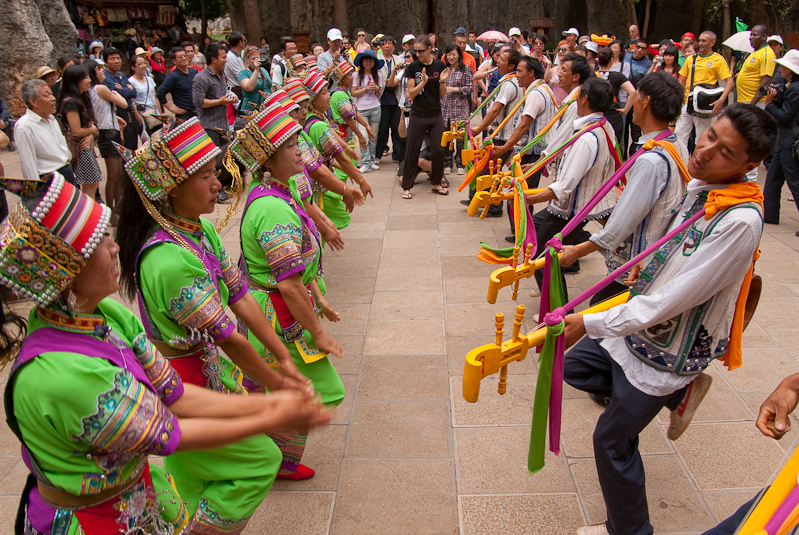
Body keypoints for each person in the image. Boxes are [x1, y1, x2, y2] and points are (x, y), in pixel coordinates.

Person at [0, 171, 329, 535]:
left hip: (132, 496)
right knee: (254, 462)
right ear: (64, 274)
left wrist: (271, 404)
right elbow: (167, 433)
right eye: (98, 243)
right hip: (90, 522)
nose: (114, 248)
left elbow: (172, 391)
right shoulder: (60, 374)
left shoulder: (106, 314)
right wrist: (273, 411)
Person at [563, 103, 777, 535]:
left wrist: (590, 321)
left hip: (668, 346)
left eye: (725, 150)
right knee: (572, 365)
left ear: (750, 167)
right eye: (711, 134)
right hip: (641, 326)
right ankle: (676, 397)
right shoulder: (706, 186)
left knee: (611, 441)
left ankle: (628, 530)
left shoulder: (740, 220)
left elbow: (675, 300)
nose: (706, 149)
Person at [115, 118, 322, 531]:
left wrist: (281, 358)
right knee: (259, 460)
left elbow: (240, 295)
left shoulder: (201, 230)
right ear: (173, 189)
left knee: (192, 476)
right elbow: (227, 335)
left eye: (216, 172)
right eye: (207, 175)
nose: (218, 184)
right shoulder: (168, 258)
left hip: (204, 369)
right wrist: (279, 385)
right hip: (183, 378)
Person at [226, 103, 348, 480]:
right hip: (276, 313)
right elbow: (289, 283)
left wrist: (320, 297)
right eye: (290, 146)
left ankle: (279, 459)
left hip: (284, 308)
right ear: (267, 158)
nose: (300, 150)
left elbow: (298, 270)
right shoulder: (273, 208)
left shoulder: (284, 189)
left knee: (301, 389)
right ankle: (268, 457)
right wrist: (319, 333)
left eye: (298, 142)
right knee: (307, 390)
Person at [559, 70, 688, 312]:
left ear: (646, 101)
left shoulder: (652, 159)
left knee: (598, 319)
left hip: (639, 262)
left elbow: (622, 222)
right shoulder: (675, 142)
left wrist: (579, 250)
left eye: (635, 95)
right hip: (657, 253)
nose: (631, 100)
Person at [525, 76, 618, 304]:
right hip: (589, 201)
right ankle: (547, 282)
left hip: (572, 208)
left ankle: (559, 312)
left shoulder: (586, 138)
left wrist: (526, 197)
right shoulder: (604, 126)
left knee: (543, 255)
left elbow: (563, 188)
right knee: (536, 229)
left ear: (583, 98)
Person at [302, 71, 372, 228]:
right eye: (324, 93)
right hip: (317, 184)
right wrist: (360, 182)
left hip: (316, 177)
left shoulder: (314, 118)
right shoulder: (319, 125)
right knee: (332, 222)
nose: (328, 96)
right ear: (312, 99)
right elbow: (337, 157)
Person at [493, 56, 555, 199]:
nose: (516, 75)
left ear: (531, 73)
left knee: (518, 197)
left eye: (520, 71)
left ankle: (523, 222)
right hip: (537, 150)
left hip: (531, 152)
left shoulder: (535, 93)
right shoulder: (545, 88)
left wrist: (505, 147)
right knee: (522, 194)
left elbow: (524, 124)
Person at [401, 34, 449, 199]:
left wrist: (442, 81)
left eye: (421, 51)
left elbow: (442, 94)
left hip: (435, 113)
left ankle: (435, 182)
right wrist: (423, 82)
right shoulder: (413, 67)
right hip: (419, 113)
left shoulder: (439, 65)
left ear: (430, 49)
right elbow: (411, 94)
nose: (418, 54)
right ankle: (407, 186)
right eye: (416, 51)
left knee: (438, 149)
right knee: (412, 149)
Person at [193, 42, 239, 199]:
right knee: (213, 161)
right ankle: (214, 190)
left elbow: (224, 94)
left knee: (227, 157)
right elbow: (199, 102)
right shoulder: (201, 78)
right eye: (223, 57)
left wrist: (231, 98)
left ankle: (224, 185)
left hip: (224, 124)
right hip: (209, 125)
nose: (226, 60)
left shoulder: (222, 75)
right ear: (213, 59)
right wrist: (220, 102)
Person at [85, 59, 128, 223]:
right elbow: (123, 103)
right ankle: (111, 211)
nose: (103, 71)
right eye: (99, 69)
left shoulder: (93, 90)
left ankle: (117, 207)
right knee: (114, 175)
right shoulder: (100, 88)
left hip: (111, 132)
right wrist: (116, 93)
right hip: (107, 134)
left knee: (117, 174)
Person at [675, 31, 733, 148]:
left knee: (702, 136)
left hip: (704, 103)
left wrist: (721, 101)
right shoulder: (691, 59)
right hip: (687, 102)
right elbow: (682, 81)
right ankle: (681, 162)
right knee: (680, 134)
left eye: (704, 41)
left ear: (712, 43)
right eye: (699, 40)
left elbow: (730, 82)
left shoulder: (718, 59)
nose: (700, 43)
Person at [763, 49, 799, 226]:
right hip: (784, 141)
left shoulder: (796, 90)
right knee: (772, 180)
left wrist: (769, 105)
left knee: (794, 181)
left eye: (783, 66)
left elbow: (785, 116)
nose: (780, 69)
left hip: (789, 141)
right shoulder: (791, 87)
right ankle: (769, 215)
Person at [14, 79, 75, 184]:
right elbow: (28, 163)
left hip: (66, 172)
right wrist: (35, 189)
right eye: (47, 95)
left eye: (51, 94)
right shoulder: (24, 126)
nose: (53, 99)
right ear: (33, 101)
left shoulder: (51, 119)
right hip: (49, 178)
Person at [472, 47, 523, 170]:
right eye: (498, 57)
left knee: (484, 174)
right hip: (509, 135)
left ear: (511, 66)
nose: (498, 61)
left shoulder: (509, 84)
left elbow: (495, 110)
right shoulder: (516, 81)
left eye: (502, 59)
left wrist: (479, 129)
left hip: (502, 137)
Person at [57, 64, 103, 199]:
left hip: (85, 146)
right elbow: (76, 130)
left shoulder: (81, 98)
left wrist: (90, 134)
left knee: (93, 183)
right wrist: (93, 130)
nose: (89, 80)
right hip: (80, 150)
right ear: (75, 80)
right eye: (86, 77)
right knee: (89, 186)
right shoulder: (71, 102)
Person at [441, 44, 474, 176]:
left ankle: (460, 163)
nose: (451, 57)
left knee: (461, 137)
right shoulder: (444, 69)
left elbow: (470, 87)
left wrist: (455, 89)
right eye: (448, 55)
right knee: (447, 136)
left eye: (453, 54)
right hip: (445, 108)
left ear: (459, 55)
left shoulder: (466, 69)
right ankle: (448, 163)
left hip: (460, 108)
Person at [102, 47, 140, 152]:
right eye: (112, 59)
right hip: (120, 114)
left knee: (133, 147)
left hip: (130, 113)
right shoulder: (105, 77)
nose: (116, 61)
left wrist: (124, 90)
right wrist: (127, 89)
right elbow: (117, 94)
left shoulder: (121, 75)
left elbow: (134, 92)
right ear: (106, 62)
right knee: (125, 148)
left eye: (118, 58)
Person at [352, 49, 384, 173]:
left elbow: (378, 93)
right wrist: (366, 88)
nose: (368, 62)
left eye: (371, 59)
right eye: (366, 59)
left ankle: (371, 161)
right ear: (362, 61)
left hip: (375, 107)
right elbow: (354, 92)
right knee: (363, 136)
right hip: (361, 109)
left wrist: (376, 88)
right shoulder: (356, 75)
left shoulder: (378, 75)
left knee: (373, 136)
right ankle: (365, 163)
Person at [597, 46, 636, 144]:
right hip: (613, 114)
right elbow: (632, 92)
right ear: (611, 60)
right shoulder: (619, 76)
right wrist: (626, 109)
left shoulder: (592, 76)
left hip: (596, 114)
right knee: (616, 143)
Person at [377, 36, 403, 163]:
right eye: (384, 43)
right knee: (382, 129)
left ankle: (397, 154)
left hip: (396, 98)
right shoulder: (377, 60)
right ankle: (378, 154)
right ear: (380, 46)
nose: (387, 46)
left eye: (390, 43)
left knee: (396, 128)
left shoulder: (399, 59)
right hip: (382, 99)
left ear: (394, 46)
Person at [624, 38, 653, 155]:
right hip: (623, 97)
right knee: (623, 128)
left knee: (635, 129)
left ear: (646, 51)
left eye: (643, 48)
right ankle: (622, 153)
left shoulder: (648, 64)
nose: (639, 50)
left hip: (637, 98)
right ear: (634, 47)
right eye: (638, 47)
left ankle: (633, 154)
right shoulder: (625, 58)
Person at [737, 25, 776, 106]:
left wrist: (751, 106)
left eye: (755, 35)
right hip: (745, 100)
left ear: (764, 37)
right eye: (751, 35)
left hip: (755, 103)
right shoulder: (756, 52)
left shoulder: (766, 54)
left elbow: (765, 83)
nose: (751, 37)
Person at [157, 47, 199, 121]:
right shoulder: (173, 76)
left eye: (185, 56)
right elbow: (160, 93)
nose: (184, 58)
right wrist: (171, 108)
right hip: (184, 115)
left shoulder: (194, 72)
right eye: (180, 57)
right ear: (174, 61)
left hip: (199, 112)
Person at [237, 45, 272, 125]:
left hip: (265, 111)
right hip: (249, 113)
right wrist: (256, 70)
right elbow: (249, 87)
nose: (256, 60)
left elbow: (270, 86)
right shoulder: (243, 73)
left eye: (258, 57)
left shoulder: (263, 70)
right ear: (247, 60)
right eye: (253, 59)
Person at [130, 55, 163, 137]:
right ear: (133, 67)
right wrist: (138, 118)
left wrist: (160, 113)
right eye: (140, 64)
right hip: (143, 115)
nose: (144, 66)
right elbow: (132, 102)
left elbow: (155, 97)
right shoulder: (131, 81)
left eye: (144, 63)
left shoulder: (149, 79)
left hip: (155, 114)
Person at [546, 40, 573, 104]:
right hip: (554, 107)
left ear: (571, 52)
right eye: (559, 50)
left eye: (564, 50)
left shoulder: (573, 70)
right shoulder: (552, 71)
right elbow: (549, 91)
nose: (561, 52)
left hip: (568, 105)